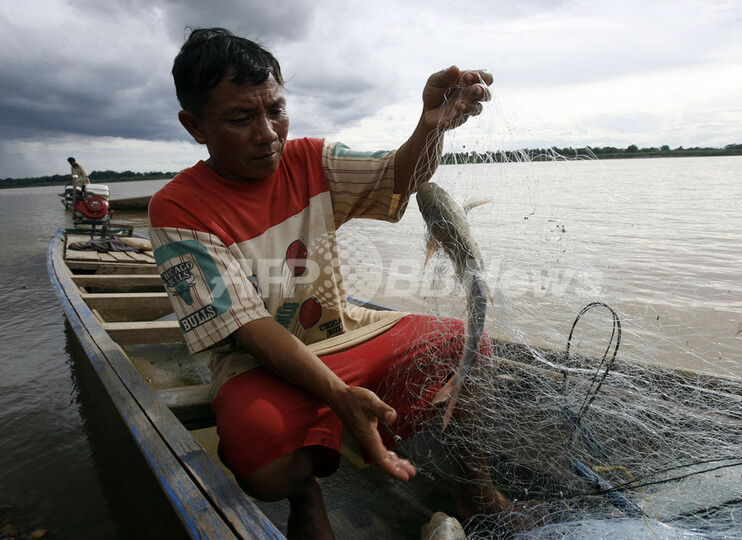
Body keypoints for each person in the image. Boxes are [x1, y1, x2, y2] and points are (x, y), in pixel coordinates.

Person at [149, 28, 520, 539]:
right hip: (258, 359)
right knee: (260, 454)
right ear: (195, 126)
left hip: (342, 330)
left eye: (275, 110)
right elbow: (250, 328)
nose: (268, 133)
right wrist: (341, 394)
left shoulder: (310, 160)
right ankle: (306, 497)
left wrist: (431, 127)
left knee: (466, 342)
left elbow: (397, 176)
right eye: (240, 119)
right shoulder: (178, 208)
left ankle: (478, 490)